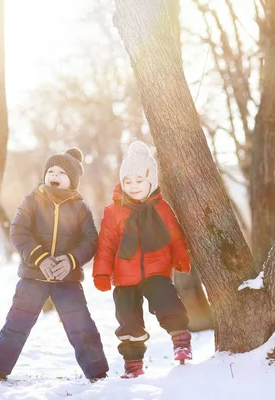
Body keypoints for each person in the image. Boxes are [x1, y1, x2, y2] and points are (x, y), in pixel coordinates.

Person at [0, 148, 109, 383]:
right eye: (51, 170)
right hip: (33, 275)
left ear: (72, 180)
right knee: (16, 324)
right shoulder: (33, 199)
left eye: (61, 172)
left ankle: (97, 372)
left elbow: (90, 241)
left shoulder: (80, 207)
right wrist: (40, 258)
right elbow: (18, 231)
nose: (55, 175)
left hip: (67, 279)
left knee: (81, 326)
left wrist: (70, 260)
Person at [93, 141, 192, 379]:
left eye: (139, 181)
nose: (133, 186)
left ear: (151, 183)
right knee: (128, 321)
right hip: (124, 276)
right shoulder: (113, 211)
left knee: (166, 301)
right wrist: (102, 272)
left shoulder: (162, 208)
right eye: (128, 181)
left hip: (157, 270)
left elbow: (175, 235)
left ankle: (180, 340)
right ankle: (133, 364)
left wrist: (180, 256)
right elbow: (106, 243)